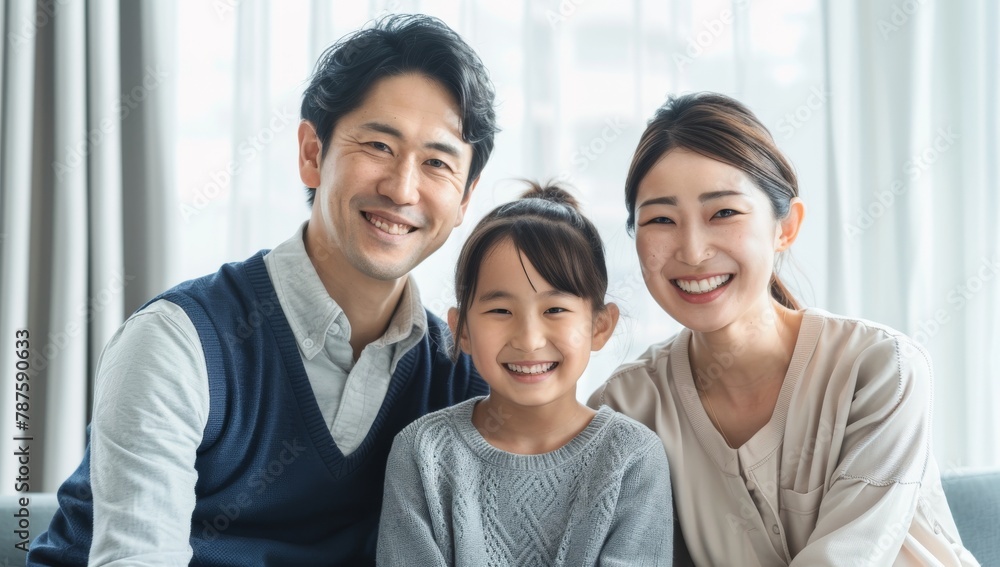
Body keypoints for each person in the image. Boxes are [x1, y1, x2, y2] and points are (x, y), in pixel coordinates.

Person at [27, 14, 498, 566]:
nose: (401, 188)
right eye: (378, 145)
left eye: (437, 163)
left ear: (465, 198)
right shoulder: (179, 344)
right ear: (310, 153)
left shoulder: (463, 377)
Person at [588, 92, 980, 566]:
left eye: (724, 212)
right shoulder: (627, 407)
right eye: (662, 220)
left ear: (785, 226)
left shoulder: (879, 369)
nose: (692, 251)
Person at [376, 183, 674, 567]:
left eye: (555, 310)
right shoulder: (423, 453)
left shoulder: (632, 458)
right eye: (500, 311)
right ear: (461, 329)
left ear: (600, 326)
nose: (529, 340)